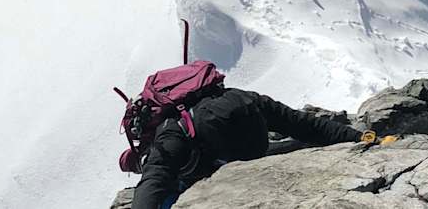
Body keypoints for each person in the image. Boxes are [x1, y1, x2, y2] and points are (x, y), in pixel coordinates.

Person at [130, 87, 392, 209]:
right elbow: (304, 125)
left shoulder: (172, 137)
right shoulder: (245, 100)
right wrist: (362, 138)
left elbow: (153, 180)